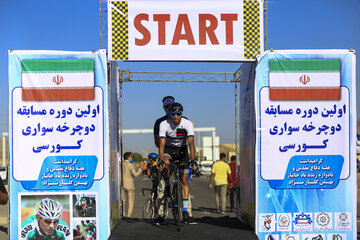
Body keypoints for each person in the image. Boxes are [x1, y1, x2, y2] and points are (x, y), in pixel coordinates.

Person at [158, 102, 197, 224]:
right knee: (165, 166)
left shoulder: (187, 123)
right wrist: (160, 160)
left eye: (178, 114)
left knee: (184, 180)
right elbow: (162, 144)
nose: (175, 116)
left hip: (182, 150)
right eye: (173, 114)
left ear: (182, 114)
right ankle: (168, 184)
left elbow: (191, 143)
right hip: (169, 149)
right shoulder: (164, 124)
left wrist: (192, 159)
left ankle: (185, 210)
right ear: (169, 114)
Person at [120, 151, 146, 219]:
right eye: (131, 157)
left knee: (123, 201)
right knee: (130, 202)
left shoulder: (121, 164)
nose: (131, 158)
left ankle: (123, 214)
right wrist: (140, 168)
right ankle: (128, 216)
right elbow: (135, 175)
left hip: (122, 185)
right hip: (130, 185)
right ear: (128, 157)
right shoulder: (130, 165)